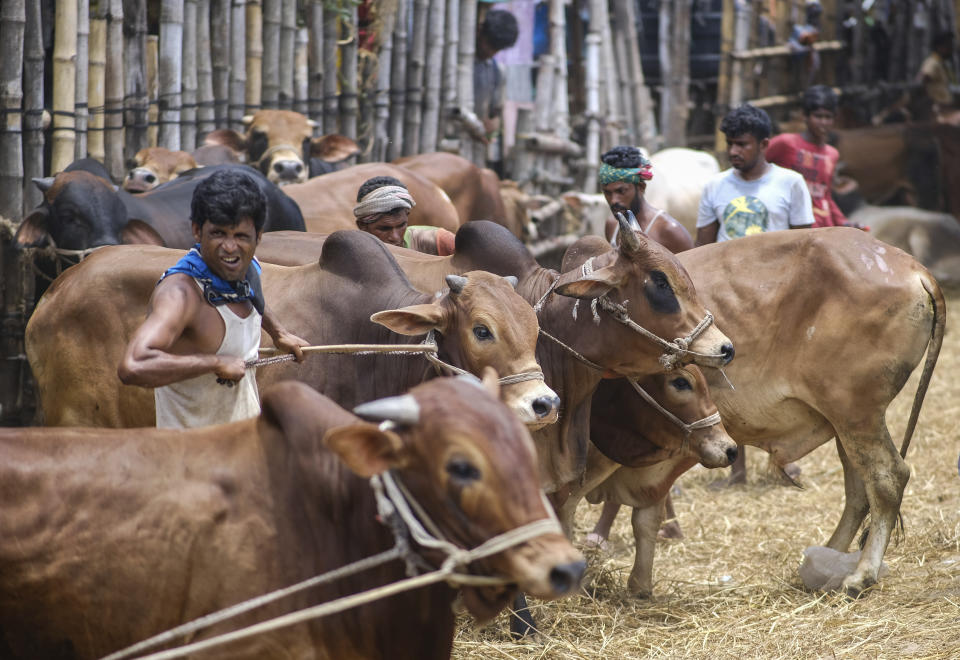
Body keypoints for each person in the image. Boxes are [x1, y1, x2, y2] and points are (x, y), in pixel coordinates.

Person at [118, 169, 308, 429]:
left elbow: (252, 294)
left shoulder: (248, 268)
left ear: (258, 237)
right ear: (197, 231)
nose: (230, 248)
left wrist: (279, 333)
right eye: (219, 233)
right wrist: (215, 362)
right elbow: (132, 365)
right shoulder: (181, 294)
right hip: (191, 457)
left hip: (240, 445)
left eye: (241, 236)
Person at [696, 104, 813, 485]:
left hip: (777, 301)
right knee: (729, 379)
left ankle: (782, 459)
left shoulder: (790, 184)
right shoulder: (715, 187)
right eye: (730, 144)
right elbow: (702, 251)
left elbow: (806, 246)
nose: (734, 151)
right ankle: (737, 466)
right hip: (728, 303)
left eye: (742, 144)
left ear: (764, 144)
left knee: (779, 379)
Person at [766, 85, 860, 229]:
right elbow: (756, 165)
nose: (823, 122)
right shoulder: (785, 143)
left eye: (828, 117)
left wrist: (845, 223)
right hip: (789, 224)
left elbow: (825, 196)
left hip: (820, 225)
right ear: (805, 116)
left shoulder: (832, 154)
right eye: (818, 116)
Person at [599, 146, 695, 253]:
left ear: (640, 187)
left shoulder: (669, 231)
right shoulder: (612, 225)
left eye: (621, 191)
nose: (613, 201)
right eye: (607, 192)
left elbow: (691, 268)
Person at [354, 176, 457, 256]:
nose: (395, 237)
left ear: (407, 215)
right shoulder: (352, 255)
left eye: (401, 225)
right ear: (362, 226)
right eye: (384, 229)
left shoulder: (437, 241)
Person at [474, 9, 519, 174]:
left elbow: (496, 113)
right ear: (480, 31)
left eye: (497, 49)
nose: (491, 52)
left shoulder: (496, 71)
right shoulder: (453, 60)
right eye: (489, 44)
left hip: (475, 148)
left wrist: (493, 125)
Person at [917, 31, 960, 125]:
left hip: (948, 107)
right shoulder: (932, 63)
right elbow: (922, 81)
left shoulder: (942, 64)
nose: (951, 49)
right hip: (939, 111)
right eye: (948, 46)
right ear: (939, 47)